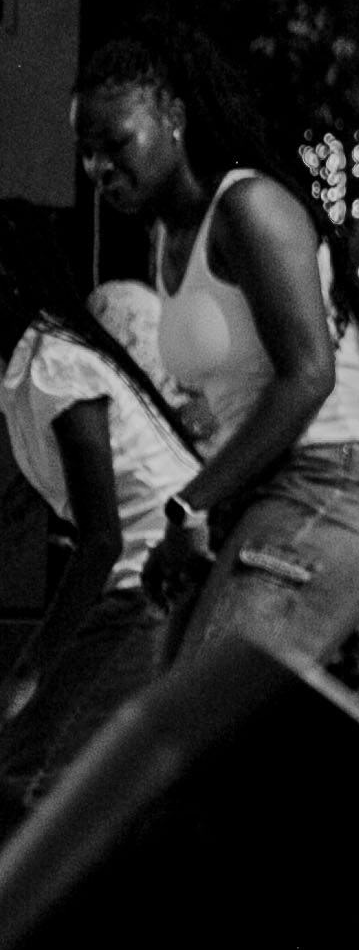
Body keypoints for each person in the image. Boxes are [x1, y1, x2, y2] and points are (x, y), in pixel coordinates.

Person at [71, 23, 359, 668]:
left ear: (173, 118)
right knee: (173, 690)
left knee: (209, 695)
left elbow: (309, 376)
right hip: (277, 484)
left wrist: (190, 506)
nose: (100, 168)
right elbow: (231, 399)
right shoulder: (168, 240)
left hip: (352, 470)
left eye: (116, 143)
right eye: (87, 152)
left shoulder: (249, 207)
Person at [0, 243, 197, 805]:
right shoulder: (31, 367)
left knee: (30, 772)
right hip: (141, 580)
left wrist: (30, 669)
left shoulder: (56, 365)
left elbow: (102, 540)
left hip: (150, 579)